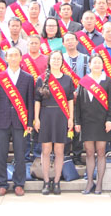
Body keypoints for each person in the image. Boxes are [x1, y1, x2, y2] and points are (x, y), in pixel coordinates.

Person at [0, 48, 34, 197]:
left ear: (21, 57)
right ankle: (2, 184)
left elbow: (30, 101)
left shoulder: (28, 78)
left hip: (20, 122)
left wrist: (30, 122)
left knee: (20, 154)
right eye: (11, 55)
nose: (14, 58)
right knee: (1, 154)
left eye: (16, 55)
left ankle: (19, 184)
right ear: (6, 58)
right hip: (2, 121)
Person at [34, 51, 75, 195]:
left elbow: (70, 100)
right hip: (46, 115)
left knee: (59, 150)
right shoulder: (41, 79)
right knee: (45, 150)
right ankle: (46, 181)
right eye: (54, 59)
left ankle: (57, 181)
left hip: (61, 116)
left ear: (62, 61)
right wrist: (36, 118)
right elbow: (37, 100)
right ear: (49, 61)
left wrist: (71, 118)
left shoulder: (67, 79)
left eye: (59, 59)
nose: (56, 61)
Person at [74, 54, 111, 194]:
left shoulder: (107, 81)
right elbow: (78, 104)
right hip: (86, 122)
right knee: (89, 152)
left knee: (101, 152)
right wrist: (77, 121)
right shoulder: (84, 81)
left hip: (102, 122)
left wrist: (109, 119)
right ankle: (90, 182)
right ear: (90, 65)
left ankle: (99, 184)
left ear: (103, 65)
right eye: (94, 62)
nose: (97, 65)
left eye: (99, 62)